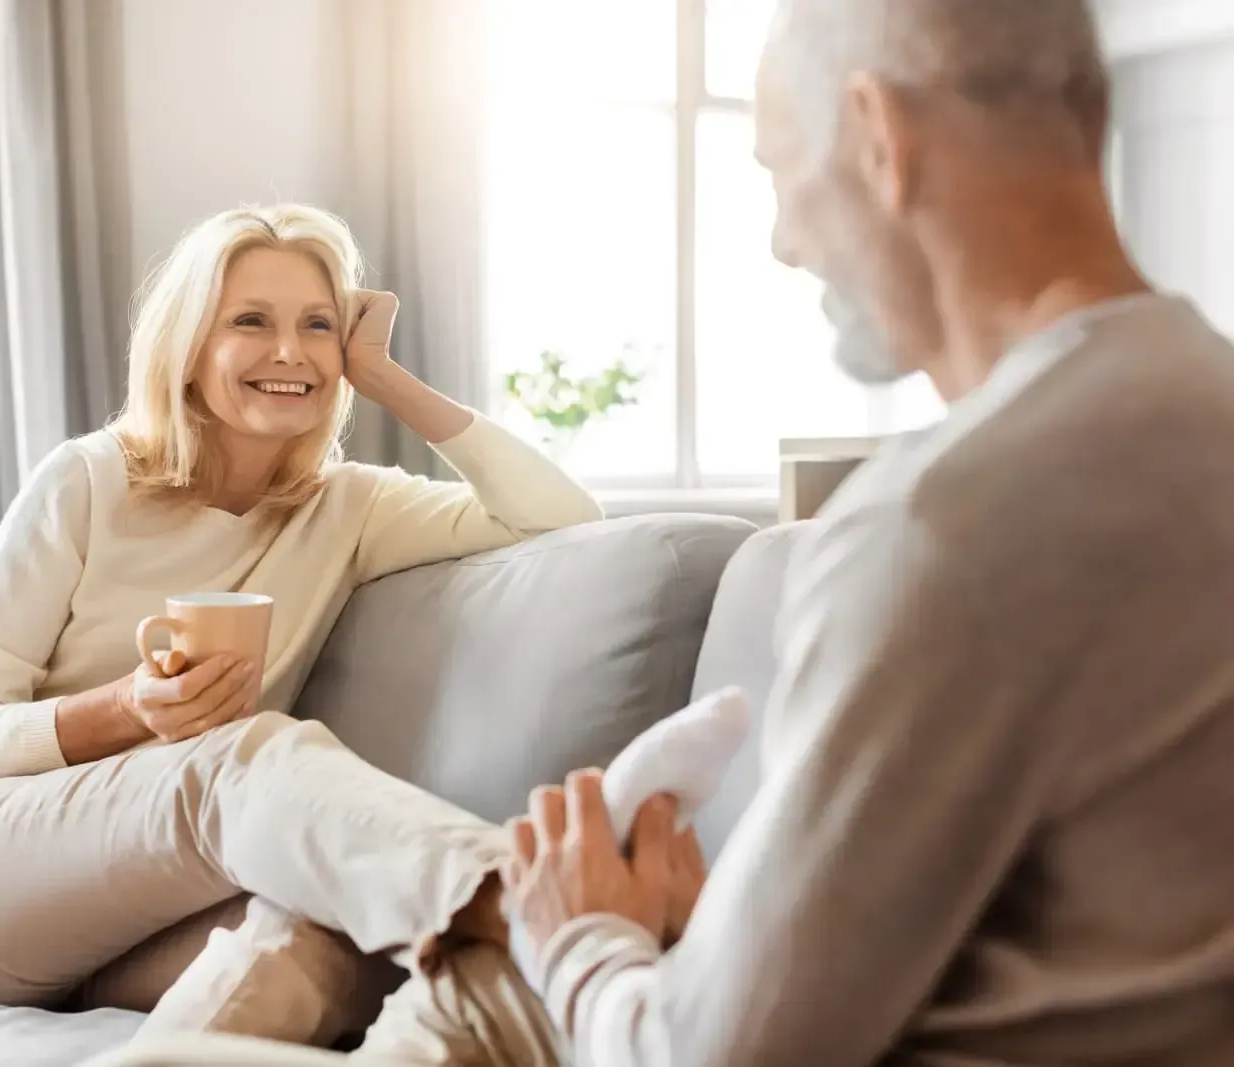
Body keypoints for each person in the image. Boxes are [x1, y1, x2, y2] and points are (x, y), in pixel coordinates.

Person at [504, 0, 1234, 1065]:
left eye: (775, 171)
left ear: (877, 139)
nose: (781, 240)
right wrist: (731, 938)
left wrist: (577, 934)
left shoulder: (939, 523)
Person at [0, 203, 604, 1052]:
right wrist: (126, 709)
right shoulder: (87, 482)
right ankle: (548, 909)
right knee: (241, 757)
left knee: (331, 948)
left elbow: (559, 513)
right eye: (250, 322)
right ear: (189, 351)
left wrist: (383, 377)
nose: (290, 352)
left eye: (318, 325)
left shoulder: (348, 506)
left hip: (119, 914)